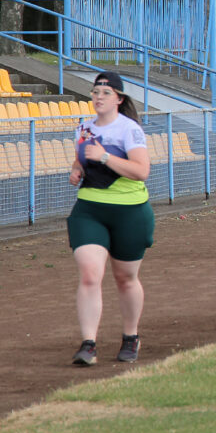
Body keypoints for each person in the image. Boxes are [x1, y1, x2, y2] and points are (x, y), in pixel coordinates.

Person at [68, 71, 154, 366]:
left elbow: (142, 171)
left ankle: (131, 337)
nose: (98, 97)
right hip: (90, 209)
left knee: (125, 278)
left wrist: (104, 157)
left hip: (129, 210)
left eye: (105, 93)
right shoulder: (83, 127)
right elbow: (81, 156)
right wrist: (76, 169)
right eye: (95, 92)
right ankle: (88, 344)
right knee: (91, 274)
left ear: (119, 99)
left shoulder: (129, 130)